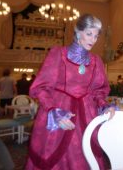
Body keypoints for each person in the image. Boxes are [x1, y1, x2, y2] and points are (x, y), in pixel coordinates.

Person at [25, 14, 115, 170]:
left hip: (87, 115)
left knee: (88, 154)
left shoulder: (96, 61)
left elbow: (98, 91)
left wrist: (104, 105)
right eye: (89, 34)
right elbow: (41, 87)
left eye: (96, 36)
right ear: (78, 31)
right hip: (59, 111)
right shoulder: (57, 54)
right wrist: (54, 111)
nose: (92, 40)